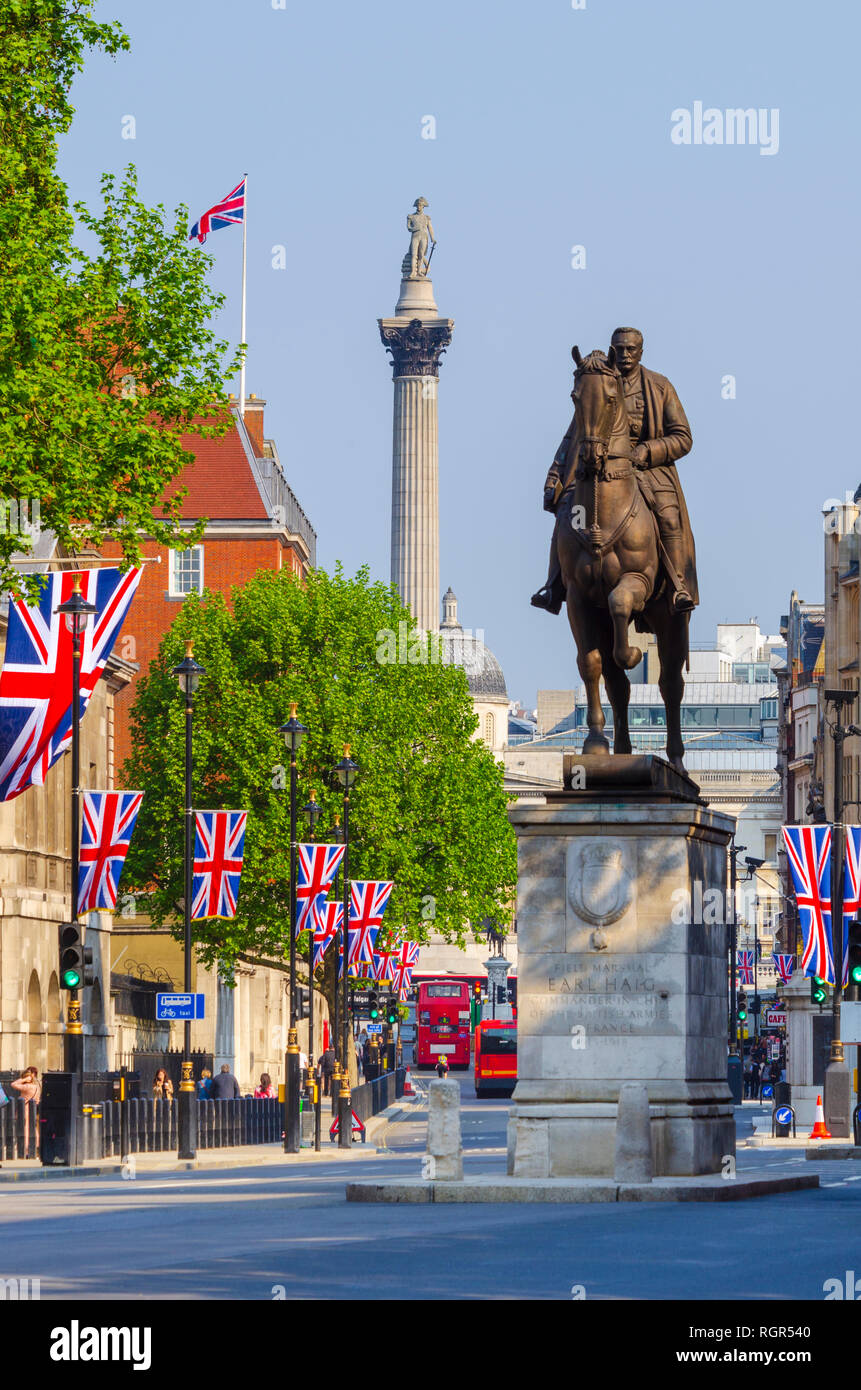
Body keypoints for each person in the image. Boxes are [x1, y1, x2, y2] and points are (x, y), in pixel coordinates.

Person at [532, 325, 697, 617]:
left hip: (648, 470)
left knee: (669, 517)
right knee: (568, 511)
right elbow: (574, 434)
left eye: (630, 349)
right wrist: (555, 475)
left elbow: (683, 437)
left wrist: (646, 451)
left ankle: (678, 586)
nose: (624, 355)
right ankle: (554, 585)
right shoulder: (599, 383)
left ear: (641, 352)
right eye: (619, 349)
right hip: (595, 470)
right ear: (611, 350)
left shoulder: (659, 387)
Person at [11, 1066, 41, 1156]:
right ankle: (36, 1146)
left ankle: (26, 1149)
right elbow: (38, 1099)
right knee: (34, 1128)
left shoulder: (27, 1087)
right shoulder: (37, 1087)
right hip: (33, 1109)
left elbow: (13, 1084)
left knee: (25, 1128)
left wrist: (23, 1080)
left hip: (25, 1109)